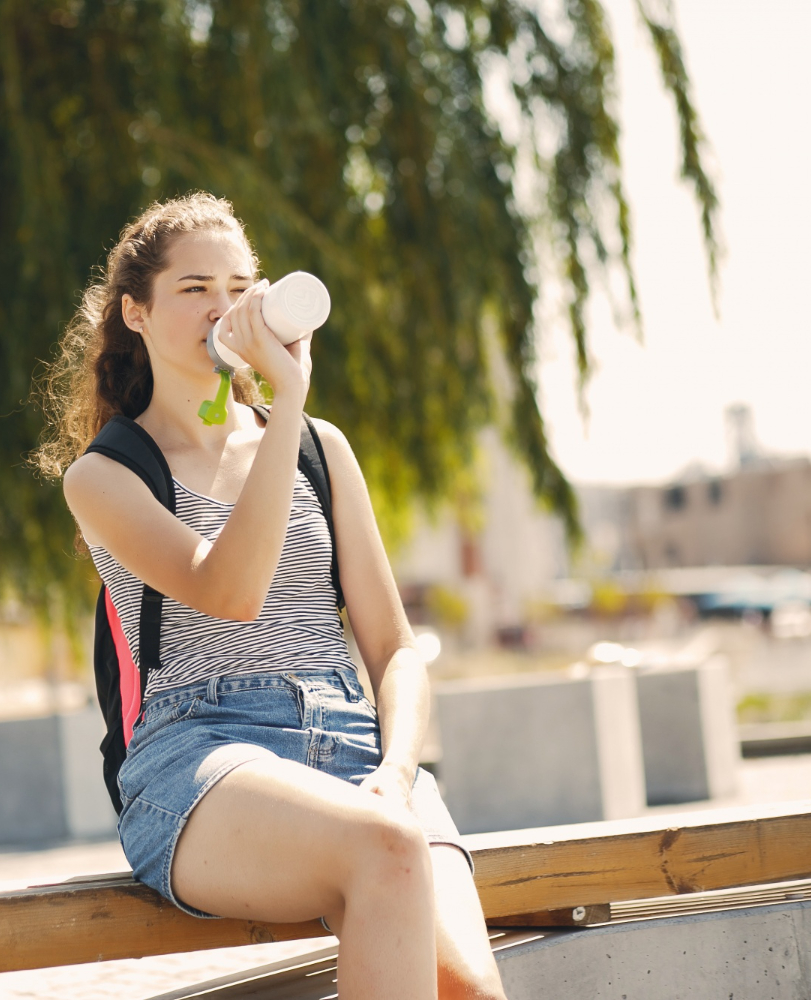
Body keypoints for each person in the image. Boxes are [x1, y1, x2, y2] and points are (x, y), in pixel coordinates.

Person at [32, 193, 508, 1000]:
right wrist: (287, 398)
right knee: (386, 850)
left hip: (364, 759)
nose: (225, 309)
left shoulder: (324, 450)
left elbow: (395, 651)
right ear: (136, 313)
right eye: (194, 290)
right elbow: (232, 590)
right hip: (202, 757)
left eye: (240, 286)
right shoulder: (107, 476)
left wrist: (397, 771)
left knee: (468, 990)